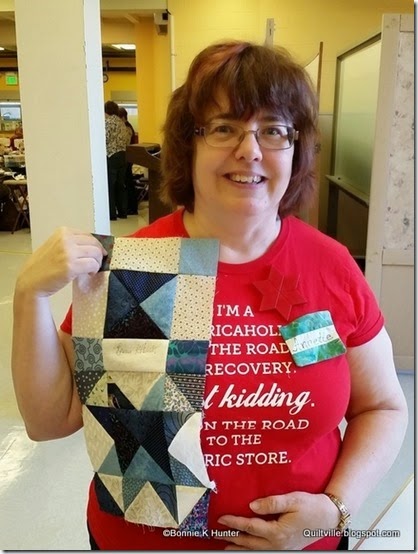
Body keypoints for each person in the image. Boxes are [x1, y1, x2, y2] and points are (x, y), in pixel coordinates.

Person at [11, 41, 408, 551]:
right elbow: (50, 421)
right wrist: (29, 296)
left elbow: (382, 407)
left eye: (274, 130)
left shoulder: (329, 266)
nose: (250, 150)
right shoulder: (136, 267)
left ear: (297, 149)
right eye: (224, 128)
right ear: (188, 146)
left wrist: (335, 509)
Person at [104, 100, 128, 220]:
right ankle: (123, 212)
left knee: (110, 186)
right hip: (123, 155)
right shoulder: (121, 123)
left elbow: (105, 139)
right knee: (120, 185)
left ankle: (112, 214)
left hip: (112, 155)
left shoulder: (107, 122)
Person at [119, 106, 139, 215]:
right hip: (128, 158)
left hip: (127, 159)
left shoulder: (127, 128)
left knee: (128, 183)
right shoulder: (127, 126)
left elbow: (125, 144)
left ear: (122, 117)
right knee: (128, 183)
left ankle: (131, 207)